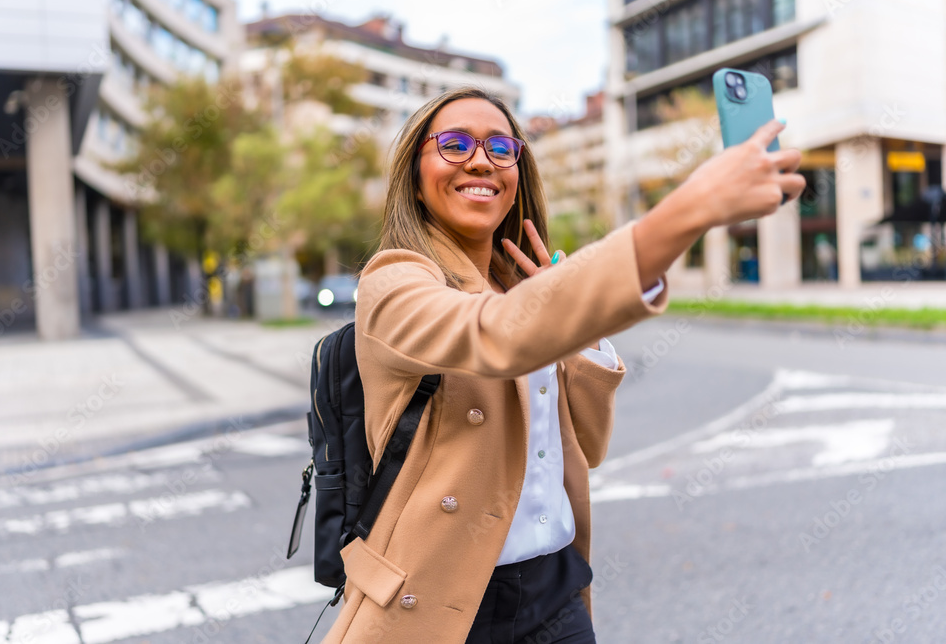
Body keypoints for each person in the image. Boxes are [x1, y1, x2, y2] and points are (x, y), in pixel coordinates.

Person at [322, 86, 805, 643]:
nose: (480, 160)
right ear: (414, 172)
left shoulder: (522, 290)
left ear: (518, 176)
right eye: (453, 144)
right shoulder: (392, 283)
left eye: (501, 147)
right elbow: (493, 334)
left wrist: (574, 325)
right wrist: (691, 207)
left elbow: (589, 445)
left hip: (555, 596)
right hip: (438, 605)